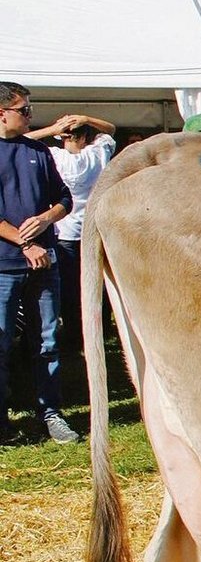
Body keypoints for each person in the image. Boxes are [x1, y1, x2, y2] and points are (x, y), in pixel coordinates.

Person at [0, 81, 78, 444]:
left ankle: (50, 413)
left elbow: (64, 197)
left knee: (47, 341)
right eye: (24, 110)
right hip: (6, 265)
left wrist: (48, 218)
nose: (31, 116)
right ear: (2, 113)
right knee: (2, 342)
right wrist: (25, 241)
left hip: (45, 264)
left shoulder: (38, 152)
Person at [26, 113, 116, 353]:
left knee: (69, 288)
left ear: (61, 137)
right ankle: (102, 331)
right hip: (95, 229)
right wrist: (86, 117)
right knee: (99, 284)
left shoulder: (54, 156)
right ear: (86, 136)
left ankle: (75, 335)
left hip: (65, 231)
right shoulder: (98, 153)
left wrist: (52, 128)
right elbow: (111, 128)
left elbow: (23, 139)